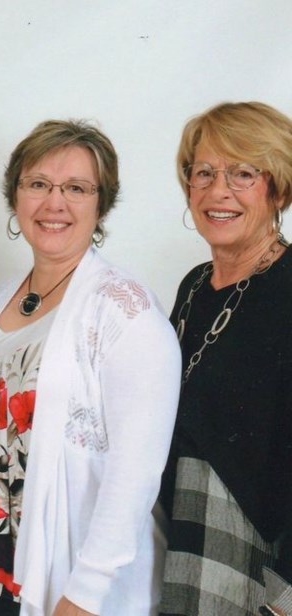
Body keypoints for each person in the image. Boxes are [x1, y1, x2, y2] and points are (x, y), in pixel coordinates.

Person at [0, 120, 181, 616]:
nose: (55, 203)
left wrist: (86, 595)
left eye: (76, 188)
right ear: (15, 198)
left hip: (70, 587)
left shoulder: (124, 311)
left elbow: (136, 473)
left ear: (101, 204)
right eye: (38, 184)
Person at [159, 102, 292, 616]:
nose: (219, 192)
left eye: (242, 174)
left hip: (259, 567)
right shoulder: (194, 286)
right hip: (179, 543)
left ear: (277, 188)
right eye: (205, 173)